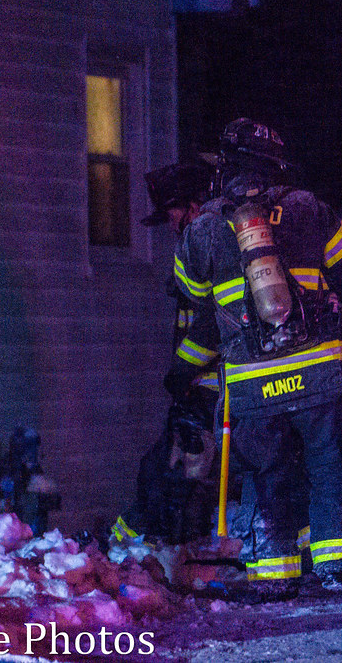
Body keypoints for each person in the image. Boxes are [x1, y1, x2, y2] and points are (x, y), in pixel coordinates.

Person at [174, 118, 342, 597]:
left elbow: (191, 292)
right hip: (317, 375)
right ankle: (337, 566)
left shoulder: (204, 229)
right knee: (330, 464)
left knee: (266, 471)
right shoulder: (306, 208)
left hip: (251, 384)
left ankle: (274, 572)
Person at [112, 163, 222, 545]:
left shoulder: (209, 243)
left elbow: (213, 319)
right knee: (164, 468)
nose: (171, 225)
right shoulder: (201, 243)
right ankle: (133, 543)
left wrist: (182, 370)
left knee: (172, 470)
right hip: (200, 386)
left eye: (172, 214)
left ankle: (146, 547)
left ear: (192, 206)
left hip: (215, 387)